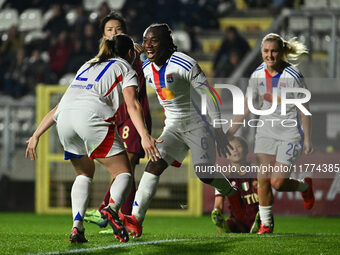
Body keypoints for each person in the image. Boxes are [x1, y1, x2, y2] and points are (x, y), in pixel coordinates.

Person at [25, 34, 161, 243]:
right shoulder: (126, 67)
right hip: (91, 118)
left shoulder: (87, 65)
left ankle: (77, 227)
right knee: (123, 172)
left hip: (65, 121)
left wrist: (35, 135)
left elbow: (59, 107)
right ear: (129, 53)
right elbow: (133, 104)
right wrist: (144, 135)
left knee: (83, 173)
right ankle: (112, 209)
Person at [118, 23, 246, 238]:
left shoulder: (185, 64)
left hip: (199, 125)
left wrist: (218, 128)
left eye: (154, 40)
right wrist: (136, 46)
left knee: (204, 174)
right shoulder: (146, 64)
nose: (149, 45)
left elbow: (209, 95)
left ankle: (232, 194)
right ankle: (136, 219)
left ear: (168, 44)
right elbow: (136, 52)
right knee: (155, 163)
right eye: (146, 40)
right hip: (174, 126)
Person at [226, 33, 315, 234]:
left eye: (274, 51)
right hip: (265, 132)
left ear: (281, 52)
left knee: (278, 182)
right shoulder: (257, 75)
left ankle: (304, 187)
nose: (270, 55)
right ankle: (266, 224)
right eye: (266, 51)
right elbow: (248, 106)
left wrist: (308, 138)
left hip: (289, 134)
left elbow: (304, 109)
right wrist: (231, 131)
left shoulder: (293, 76)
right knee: (263, 178)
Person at [83, 12, 152, 227]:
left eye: (118, 29)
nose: (114, 33)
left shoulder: (135, 54)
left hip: (133, 113)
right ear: (103, 35)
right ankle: (116, 214)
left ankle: (109, 212)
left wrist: (142, 53)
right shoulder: (101, 60)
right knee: (124, 168)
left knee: (127, 163)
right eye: (109, 30)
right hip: (114, 116)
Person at [211, 136, 260, 233]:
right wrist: (219, 224)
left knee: (261, 219)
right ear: (226, 154)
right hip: (238, 221)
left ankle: (260, 225)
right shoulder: (223, 178)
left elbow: (268, 196)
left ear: (246, 150)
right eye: (231, 148)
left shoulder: (258, 171)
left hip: (259, 217)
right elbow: (218, 206)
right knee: (230, 224)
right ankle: (226, 228)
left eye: (238, 146)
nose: (235, 150)